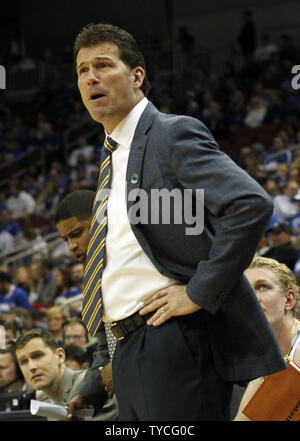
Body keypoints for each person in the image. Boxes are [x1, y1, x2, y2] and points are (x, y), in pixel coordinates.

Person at [71, 23, 285, 421]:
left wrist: (199, 291)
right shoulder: (114, 156)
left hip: (173, 342)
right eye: (82, 70)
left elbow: (250, 204)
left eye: (102, 65)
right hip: (130, 348)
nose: (91, 77)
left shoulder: (169, 134)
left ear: (137, 76)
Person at [55, 190, 115, 411]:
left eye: (76, 233)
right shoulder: (93, 276)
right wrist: (85, 395)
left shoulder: (131, 260)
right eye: (65, 240)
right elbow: (106, 345)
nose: (71, 246)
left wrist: (119, 367)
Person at [234, 256, 300, 420]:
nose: (251, 298)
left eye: (262, 287)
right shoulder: (265, 359)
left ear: (289, 299)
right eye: (245, 290)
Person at [15, 327, 117, 420]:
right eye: (23, 362)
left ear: (60, 356)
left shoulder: (90, 385)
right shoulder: (42, 400)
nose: (32, 367)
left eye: (37, 356)